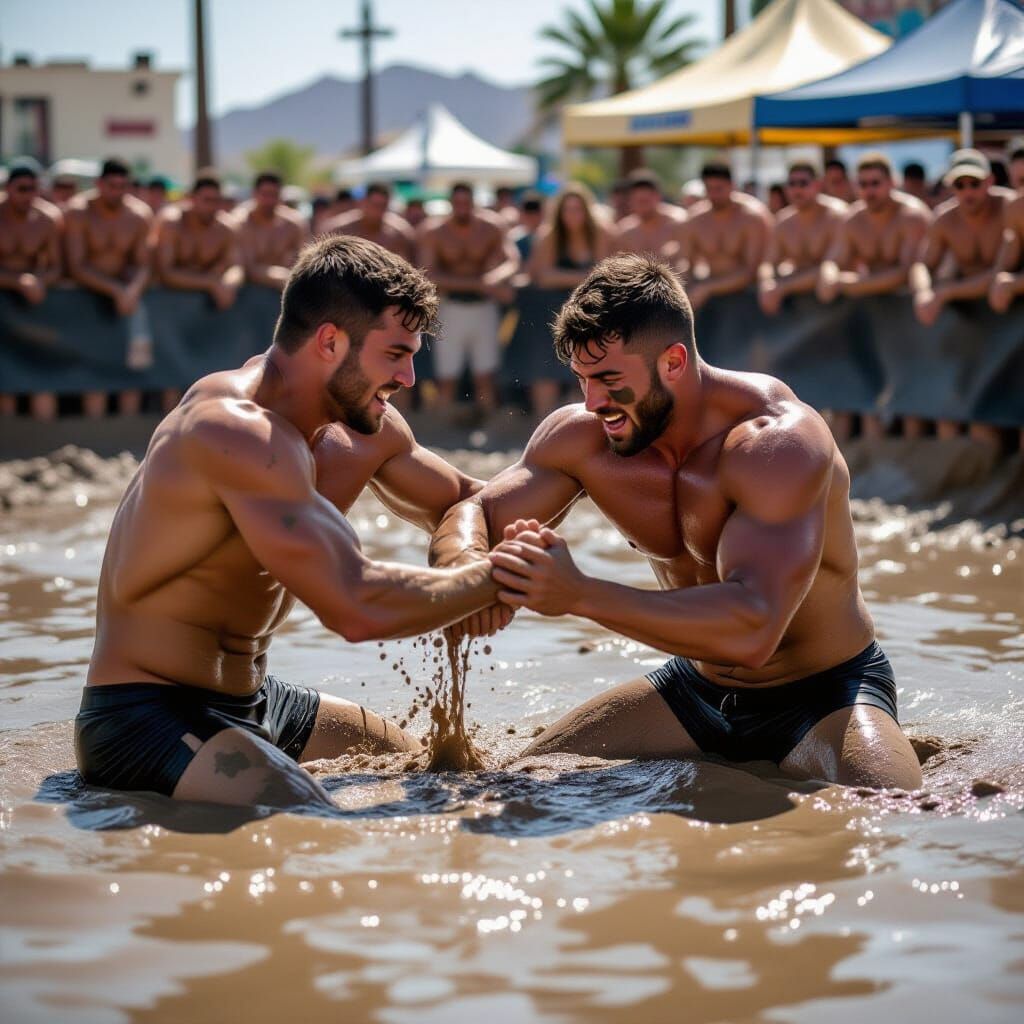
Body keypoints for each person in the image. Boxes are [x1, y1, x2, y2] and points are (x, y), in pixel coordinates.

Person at [430, 253, 922, 791]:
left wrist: (577, 594)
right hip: (693, 690)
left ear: (673, 361)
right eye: (581, 379)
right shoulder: (584, 439)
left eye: (609, 379)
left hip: (824, 696)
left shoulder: (775, 442)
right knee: (511, 782)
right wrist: (465, 567)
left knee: (889, 811)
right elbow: (475, 508)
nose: (592, 401)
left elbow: (754, 628)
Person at [75, 234, 508, 809]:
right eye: (396, 355)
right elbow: (353, 606)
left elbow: (467, 500)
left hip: (258, 700)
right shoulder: (233, 430)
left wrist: (462, 557)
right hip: (145, 712)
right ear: (330, 341)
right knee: (302, 818)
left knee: (432, 767)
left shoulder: (364, 427)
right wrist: (499, 578)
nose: (408, 380)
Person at [817, 152, 931, 440]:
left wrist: (847, 284)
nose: (869, 190)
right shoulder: (854, 219)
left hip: (913, 318)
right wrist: (830, 275)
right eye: (864, 183)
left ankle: (913, 469)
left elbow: (905, 272)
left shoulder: (912, 215)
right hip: (875, 319)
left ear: (892, 182)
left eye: (875, 183)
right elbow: (835, 260)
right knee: (865, 392)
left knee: (915, 394)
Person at [911, 150, 1016, 446]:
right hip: (975, 326)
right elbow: (922, 263)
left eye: (974, 183)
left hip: (1011, 319)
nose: (968, 191)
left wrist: (944, 292)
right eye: (960, 185)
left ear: (990, 181)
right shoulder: (945, 218)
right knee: (970, 407)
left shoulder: (1009, 207)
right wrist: (923, 292)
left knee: (1011, 408)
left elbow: (999, 274)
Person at [417, 182, 520, 414]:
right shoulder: (435, 231)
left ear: (474, 202)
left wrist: (495, 276)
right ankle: (443, 427)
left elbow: (511, 260)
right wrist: (480, 283)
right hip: (451, 306)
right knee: (446, 376)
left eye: (467, 203)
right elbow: (428, 273)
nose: (462, 207)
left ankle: (490, 424)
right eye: (458, 203)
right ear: (451, 204)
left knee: (485, 374)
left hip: (484, 306)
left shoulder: (491, 226)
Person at [64, 157, 154, 417]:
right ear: (99, 184)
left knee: (133, 365)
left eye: (123, 185)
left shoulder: (138, 215)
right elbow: (76, 265)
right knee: (87, 365)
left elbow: (144, 264)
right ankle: (87, 429)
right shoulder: (78, 211)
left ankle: (126, 429)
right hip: (83, 297)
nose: (118, 191)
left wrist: (133, 290)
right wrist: (116, 289)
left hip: (124, 301)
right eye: (112, 185)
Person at [527, 183, 616, 419]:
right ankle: (543, 420)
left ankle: (585, 421)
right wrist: (584, 276)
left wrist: (564, 277)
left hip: (591, 312)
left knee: (589, 367)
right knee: (546, 367)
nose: (573, 215)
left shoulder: (600, 232)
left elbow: (606, 273)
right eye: (567, 209)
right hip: (552, 311)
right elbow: (542, 277)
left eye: (577, 209)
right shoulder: (549, 235)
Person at [0, 163, 63, 420]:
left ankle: (41, 436)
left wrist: (38, 281)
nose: (28, 195)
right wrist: (19, 281)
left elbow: (57, 267)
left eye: (34, 189)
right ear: (7, 189)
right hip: (4, 298)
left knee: (40, 369)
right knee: (4, 373)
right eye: (22, 189)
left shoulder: (47, 219)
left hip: (31, 304)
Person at [758, 162, 845, 318]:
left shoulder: (837, 216)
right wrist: (767, 282)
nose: (797, 189)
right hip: (801, 308)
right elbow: (768, 262)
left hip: (841, 306)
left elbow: (830, 269)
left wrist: (782, 287)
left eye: (803, 183)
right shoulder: (783, 222)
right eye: (792, 184)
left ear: (817, 185)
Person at [684, 162, 769, 312]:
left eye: (719, 189)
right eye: (709, 189)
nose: (714, 195)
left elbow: (752, 271)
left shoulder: (752, 217)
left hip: (748, 296)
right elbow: (687, 264)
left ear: (732, 186)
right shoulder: (695, 219)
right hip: (711, 298)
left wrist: (708, 287)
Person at [234, 171, 308, 291]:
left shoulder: (294, 224)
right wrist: (279, 276)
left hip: (288, 289)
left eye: (274, 194)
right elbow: (245, 267)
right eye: (265, 194)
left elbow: (304, 260)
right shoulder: (241, 223)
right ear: (254, 194)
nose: (269, 200)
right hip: (248, 291)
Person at [322, 181, 415, 262]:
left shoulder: (400, 233)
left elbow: (412, 265)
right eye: (375, 205)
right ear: (364, 202)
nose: (378, 211)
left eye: (383, 206)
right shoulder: (338, 229)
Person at [616, 169, 687, 267]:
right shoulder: (625, 231)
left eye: (646, 201)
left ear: (657, 197)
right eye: (638, 201)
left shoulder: (679, 222)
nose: (642, 207)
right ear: (630, 201)